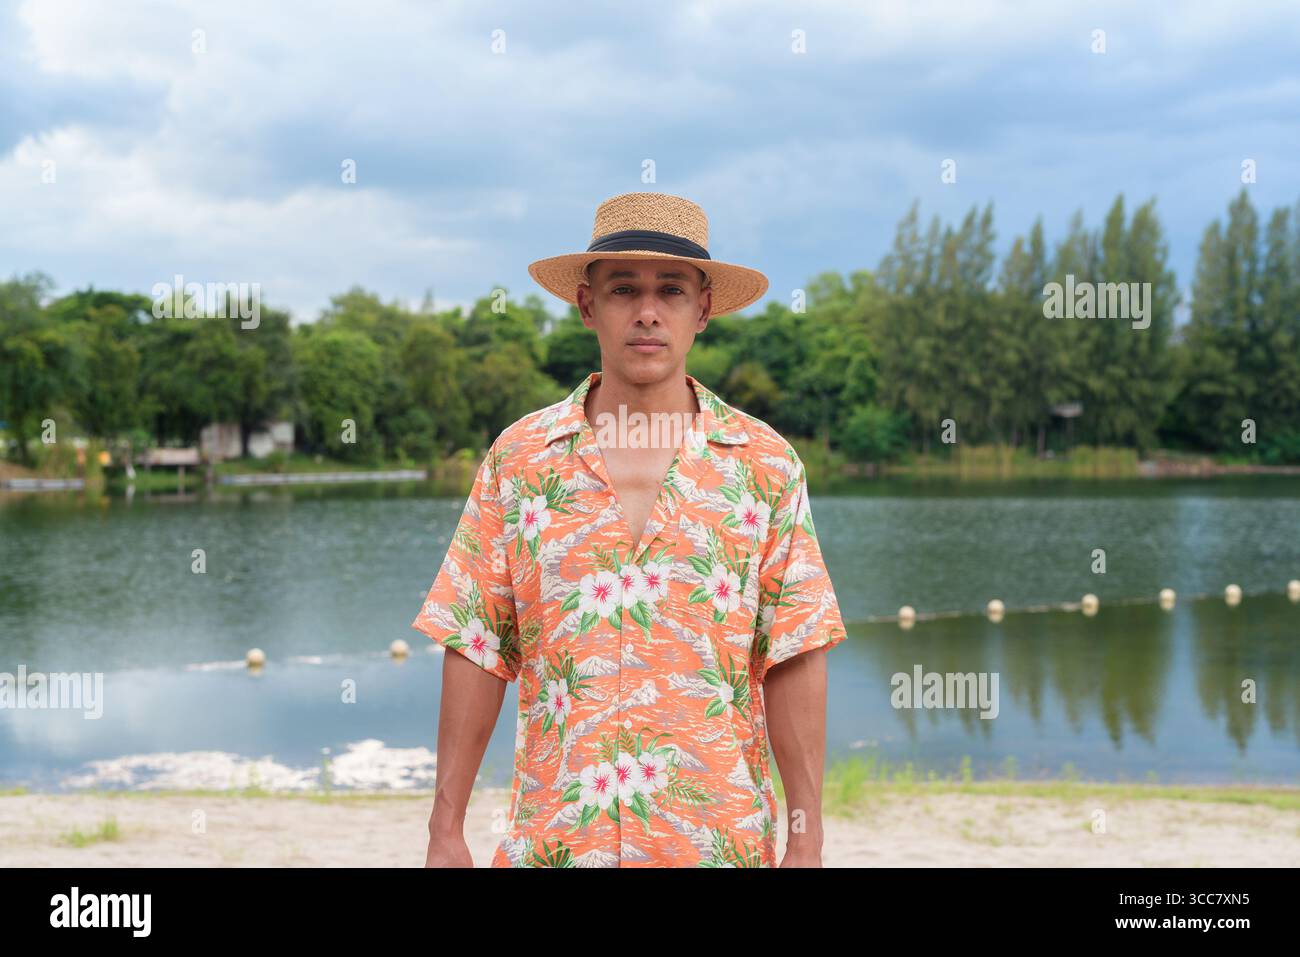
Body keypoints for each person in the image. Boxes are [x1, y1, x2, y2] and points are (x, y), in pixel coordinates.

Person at [413, 191, 847, 867]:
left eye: (671, 289)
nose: (647, 310)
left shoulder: (765, 467)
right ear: (588, 305)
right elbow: (476, 642)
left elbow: (793, 651)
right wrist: (445, 831)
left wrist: (806, 840)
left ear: (702, 307)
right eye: (624, 289)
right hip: (556, 846)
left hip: (717, 845)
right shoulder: (519, 460)